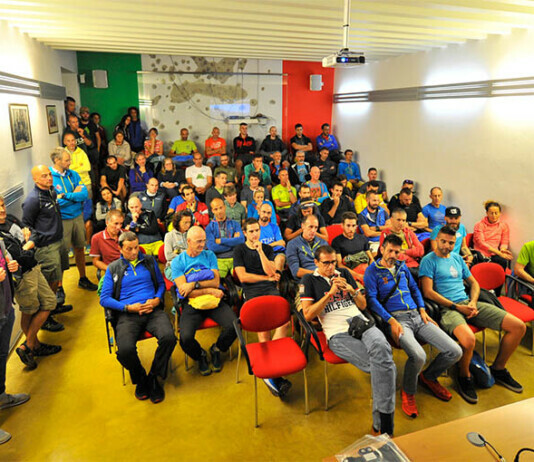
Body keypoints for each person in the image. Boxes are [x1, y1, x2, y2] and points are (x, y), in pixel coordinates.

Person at [420, 226, 526, 404]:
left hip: (468, 303)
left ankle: (499, 368)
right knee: (469, 340)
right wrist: (456, 307)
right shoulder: (428, 261)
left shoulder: (456, 258)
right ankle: (464, 376)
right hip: (448, 309)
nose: (446, 246)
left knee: (518, 327)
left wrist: (473, 302)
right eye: (443, 241)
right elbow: (428, 292)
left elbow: (474, 283)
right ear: (437, 240)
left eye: (451, 243)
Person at [301, 245, 395, 436]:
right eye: (326, 263)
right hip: (337, 333)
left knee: (382, 350)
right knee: (386, 367)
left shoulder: (344, 273)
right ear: (316, 263)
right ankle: (384, 426)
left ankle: (381, 427)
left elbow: (363, 305)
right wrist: (330, 293)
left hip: (360, 323)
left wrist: (352, 290)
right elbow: (308, 315)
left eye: (333, 262)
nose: (331, 267)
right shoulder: (309, 280)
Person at [365, 234, 462, 417]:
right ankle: (408, 391)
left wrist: (423, 309)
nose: (393, 255)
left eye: (397, 252)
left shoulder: (402, 267)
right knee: (418, 355)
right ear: (382, 249)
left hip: (418, 316)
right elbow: (372, 300)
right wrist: (390, 320)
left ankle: (429, 376)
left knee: (455, 351)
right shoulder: (372, 271)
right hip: (397, 320)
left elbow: (415, 289)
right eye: (390, 251)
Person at [100, 232, 176, 403]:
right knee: (125, 350)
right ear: (120, 249)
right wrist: (127, 307)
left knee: (169, 337)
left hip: (152, 310)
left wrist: (157, 299)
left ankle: (154, 377)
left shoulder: (149, 261)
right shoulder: (113, 268)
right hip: (128, 314)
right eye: (129, 249)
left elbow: (161, 284)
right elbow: (104, 299)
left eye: (136, 247)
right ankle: (140, 377)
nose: (134, 252)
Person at [0, 197, 61, 370]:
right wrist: (28, 246)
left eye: (2, 205)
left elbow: (32, 232)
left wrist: (28, 242)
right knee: (29, 310)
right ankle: (34, 345)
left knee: (49, 302)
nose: (2, 210)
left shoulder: (11, 219)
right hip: (23, 277)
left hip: (34, 268)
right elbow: (18, 255)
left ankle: (28, 345)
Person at [234, 218, 292, 397]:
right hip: (251, 291)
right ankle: (272, 373)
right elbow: (243, 277)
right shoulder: (239, 250)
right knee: (263, 328)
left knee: (284, 321)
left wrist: (260, 252)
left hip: (269, 289)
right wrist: (266, 279)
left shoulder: (266, 249)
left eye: (257, 230)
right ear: (245, 233)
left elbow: (271, 271)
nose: (254, 234)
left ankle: (270, 367)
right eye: (251, 231)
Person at [171, 226, 237, 375]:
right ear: (188, 241)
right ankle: (200, 355)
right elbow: (185, 292)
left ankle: (217, 349)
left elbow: (216, 282)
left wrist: (193, 284)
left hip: (213, 300)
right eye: (198, 241)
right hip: (192, 303)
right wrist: (208, 289)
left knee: (234, 326)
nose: (202, 244)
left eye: (204, 241)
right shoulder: (178, 262)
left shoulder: (209, 255)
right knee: (185, 338)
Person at [22, 165, 65, 332]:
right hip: (46, 247)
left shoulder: (51, 191)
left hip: (58, 241)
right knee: (49, 283)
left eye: (49, 175)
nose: (49, 178)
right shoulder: (33, 200)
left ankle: (52, 308)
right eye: (44, 176)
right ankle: (46, 317)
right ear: (35, 179)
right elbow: (27, 226)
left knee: (57, 278)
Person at [50, 148, 98, 291]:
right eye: (67, 160)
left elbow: (84, 194)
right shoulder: (49, 177)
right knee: (62, 253)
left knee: (80, 248)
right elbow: (55, 203)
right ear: (57, 160)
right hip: (62, 220)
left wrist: (65, 195)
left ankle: (83, 278)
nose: (70, 162)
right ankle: (59, 287)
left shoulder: (74, 174)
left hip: (77, 216)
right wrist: (73, 196)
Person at [0, 239, 30, 444]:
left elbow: (11, 267)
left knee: (2, 356)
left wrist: (13, 267)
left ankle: (1, 396)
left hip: (5, 310)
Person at [206, 198, 244, 278]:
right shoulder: (209, 228)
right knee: (216, 279)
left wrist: (221, 241)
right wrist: (233, 243)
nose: (219, 211)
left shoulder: (235, 224)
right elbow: (212, 247)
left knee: (241, 277)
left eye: (221, 208)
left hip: (235, 258)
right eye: (216, 209)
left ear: (225, 207)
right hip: (218, 260)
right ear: (212, 211)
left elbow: (241, 240)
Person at [332, 212, 373, 283]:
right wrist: (358, 276)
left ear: (356, 226)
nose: (351, 229)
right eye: (348, 225)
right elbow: (339, 265)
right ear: (342, 225)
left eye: (353, 226)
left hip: (366, 270)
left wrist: (370, 272)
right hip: (351, 274)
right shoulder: (336, 241)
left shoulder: (362, 238)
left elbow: (371, 259)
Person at [286, 214, 327, 282]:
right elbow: (295, 271)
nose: (313, 230)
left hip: (325, 278)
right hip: (306, 280)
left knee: (344, 272)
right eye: (310, 227)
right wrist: (318, 274)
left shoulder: (323, 243)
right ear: (303, 226)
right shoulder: (292, 244)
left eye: (316, 227)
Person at [473, 200, 512, 270]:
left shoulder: (503, 225)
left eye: (496, 213)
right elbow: (481, 243)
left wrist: (503, 250)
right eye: (491, 213)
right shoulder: (479, 225)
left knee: (503, 261)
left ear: (500, 213)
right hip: (481, 253)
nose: (494, 216)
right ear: (487, 213)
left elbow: (504, 241)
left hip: (495, 253)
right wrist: (499, 253)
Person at [358, 190, 391, 254]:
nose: (376, 203)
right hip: (372, 242)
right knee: (378, 253)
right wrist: (383, 232)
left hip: (386, 240)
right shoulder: (362, 215)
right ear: (367, 200)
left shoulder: (383, 211)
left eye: (378, 200)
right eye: (374, 200)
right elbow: (368, 233)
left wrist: (377, 228)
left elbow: (390, 227)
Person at [163, 210, 192, 280]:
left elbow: (195, 252)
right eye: (185, 222)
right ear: (178, 222)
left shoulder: (191, 234)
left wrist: (179, 252)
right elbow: (168, 256)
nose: (188, 225)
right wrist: (186, 253)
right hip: (173, 267)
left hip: (190, 265)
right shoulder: (169, 236)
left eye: (189, 222)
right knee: (185, 280)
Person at [258, 203, 286, 271]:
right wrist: (275, 243)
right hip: (260, 254)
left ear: (271, 214)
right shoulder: (254, 228)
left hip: (275, 253)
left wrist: (265, 246)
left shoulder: (274, 227)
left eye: (268, 213)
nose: (266, 215)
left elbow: (282, 243)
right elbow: (256, 247)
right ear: (259, 212)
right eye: (264, 212)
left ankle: (276, 278)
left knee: (280, 259)